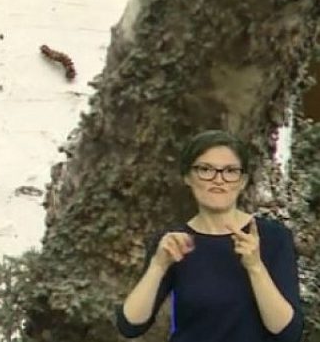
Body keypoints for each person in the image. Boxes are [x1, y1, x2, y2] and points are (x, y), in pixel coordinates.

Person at [115, 129, 304, 342]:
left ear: (242, 181)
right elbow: (130, 325)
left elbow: (288, 333)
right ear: (187, 177)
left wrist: (255, 267)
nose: (218, 179)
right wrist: (158, 266)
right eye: (205, 169)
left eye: (230, 171)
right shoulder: (174, 242)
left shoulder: (272, 237)